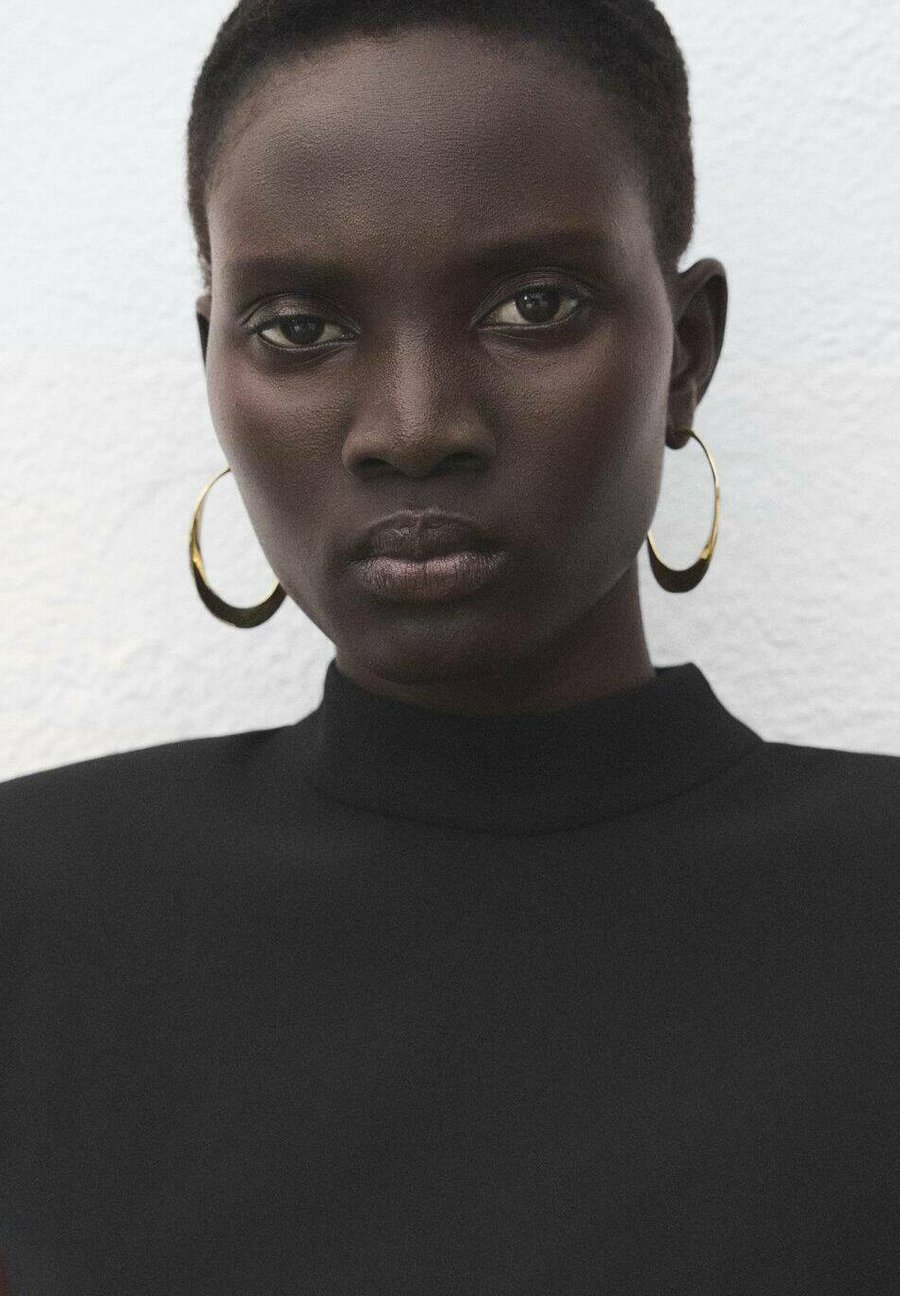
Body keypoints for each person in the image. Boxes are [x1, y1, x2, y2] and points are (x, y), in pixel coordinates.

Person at [1, 0, 897, 1291]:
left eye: (533, 305)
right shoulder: (34, 915)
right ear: (214, 365)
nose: (415, 428)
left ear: (685, 353)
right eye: (299, 328)